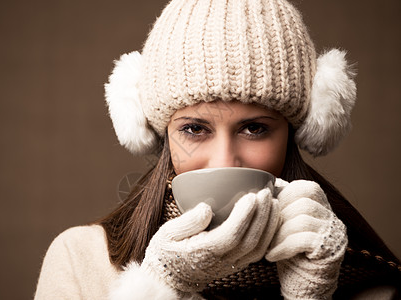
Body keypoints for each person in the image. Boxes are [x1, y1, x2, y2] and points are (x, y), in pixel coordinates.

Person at [34, 0, 401, 299]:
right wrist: (158, 286)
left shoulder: (372, 286)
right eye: (194, 129)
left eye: (255, 128)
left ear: (293, 135)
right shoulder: (81, 261)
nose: (225, 160)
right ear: (161, 137)